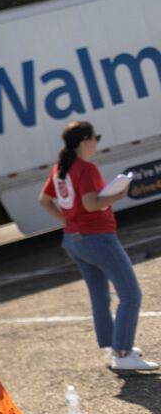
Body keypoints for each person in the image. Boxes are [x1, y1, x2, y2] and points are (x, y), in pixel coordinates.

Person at [38, 121, 158, 371]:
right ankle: (123, 353)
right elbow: (92, 204)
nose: (97, 142)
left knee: (99, 294)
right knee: (131, 294)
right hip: (97, 237)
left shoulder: (60, 167)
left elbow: (45, 201)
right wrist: (118, 194)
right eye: (96, 137)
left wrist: (68, 220)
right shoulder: (85, 168)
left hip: (73, 239)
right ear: (85, 141)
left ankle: (114, 345)